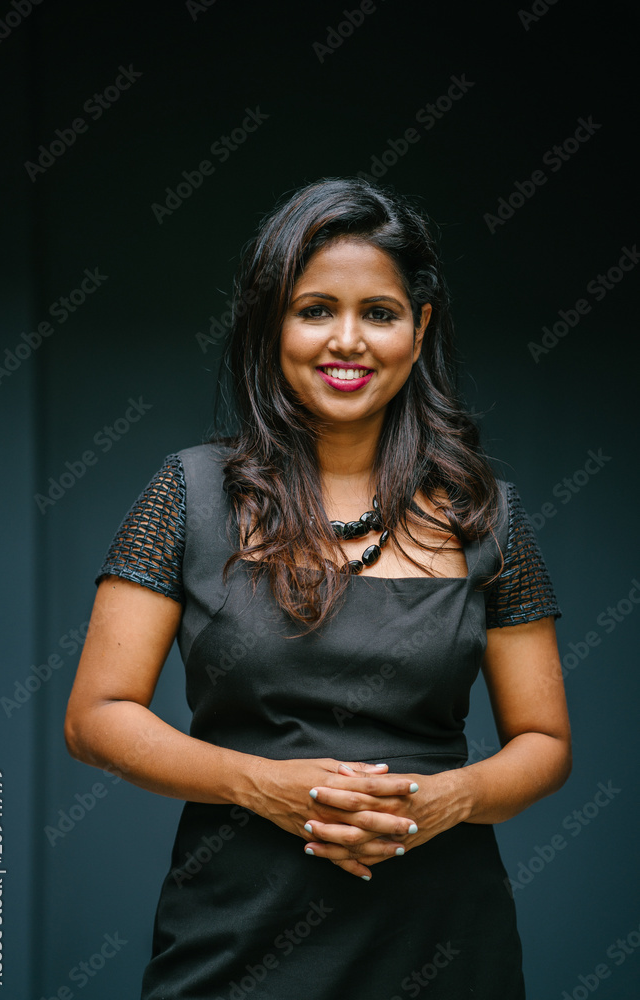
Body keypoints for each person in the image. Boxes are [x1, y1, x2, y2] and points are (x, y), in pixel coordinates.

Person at [64, 177, 571, 999]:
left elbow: (545, 743)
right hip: (235, 932)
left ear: (419, 327)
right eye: (313, 310)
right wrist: (259, 785)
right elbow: (94, 720)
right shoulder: (188, 494)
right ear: (272, 326)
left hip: (443, 940)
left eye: (378, 312)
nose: (348, 341)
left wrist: (445, 799)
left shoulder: (485, 514)